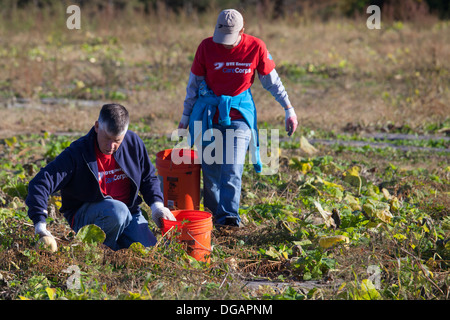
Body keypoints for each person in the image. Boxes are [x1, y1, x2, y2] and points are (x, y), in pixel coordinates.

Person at [178, 9, 298, 227]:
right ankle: (211, 218)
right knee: (211, 172)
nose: (224, 44)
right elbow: (194, 84)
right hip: (209, 115)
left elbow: (272, 81)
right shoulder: (206, 47)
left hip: (239, 115)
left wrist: (288, 108)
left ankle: (229, 219)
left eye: (230, 39)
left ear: (242, 31)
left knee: (232, 168)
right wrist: (186, 116)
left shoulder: (256, 47)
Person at [26, 104, 176, 251]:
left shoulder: (133, 143)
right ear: (97, 127)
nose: (111, 146)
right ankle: (101, 252)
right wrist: (40, 225)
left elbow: (148, 177)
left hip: (129, 213)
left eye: (117, 140)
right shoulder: (78, 153)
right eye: (107, 138)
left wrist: (157, 206)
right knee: (118, 212)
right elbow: (40, 183)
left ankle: (117, 248)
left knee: (149, 251)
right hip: (88, 214)